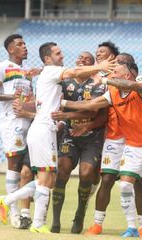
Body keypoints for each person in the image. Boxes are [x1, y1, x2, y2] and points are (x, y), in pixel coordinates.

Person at [0, 42, 116, 234]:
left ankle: (8, 200)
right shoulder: (53, 70)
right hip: (43, 130)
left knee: (49, 180)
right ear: (47, 58)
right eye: (58, 53)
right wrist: (100, 67)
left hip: (46, 131)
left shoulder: (48, 71)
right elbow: (74, 73)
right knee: (46, 178)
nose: (62, 55)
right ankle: (37, 224)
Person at [61, 58, 142, 239]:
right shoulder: (112, 93)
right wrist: (64, 103)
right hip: (133, 145)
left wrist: (104, 79)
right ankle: (131, 228)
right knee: (125, 185)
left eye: (116, 73)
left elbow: (127, 84)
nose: (112, 75)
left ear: (127, 75)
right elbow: (90, 105)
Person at [85, 52, 142, 238]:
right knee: (106, 180)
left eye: (120, 62)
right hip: (114, 139)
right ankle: (97, 224)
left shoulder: (141, 80)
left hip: (135, 140)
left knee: (138, 182)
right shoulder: (109, 80)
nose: (116, 64)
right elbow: (98, 103)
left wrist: (105, 80)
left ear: (129, 66)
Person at [49, 52, 106, 234]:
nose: (81, 60)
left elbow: (93, 110)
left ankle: (80, 213)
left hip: (93, 137)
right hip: (70, 134)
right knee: (62, 170)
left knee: (86, 172)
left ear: (92, 65)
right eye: (79, 58)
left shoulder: (97, 83)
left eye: (86, 59)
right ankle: (55, 221)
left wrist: (66, 113)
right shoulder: (65, 83)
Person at [0, 34, 36, 228]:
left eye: (24, 43)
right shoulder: (2, 66)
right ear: (10, 50)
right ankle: (13, 211)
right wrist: (9, 97)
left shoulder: (26, 72)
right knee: (14, 165)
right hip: (11, 122)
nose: (24, 47)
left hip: (27, 121)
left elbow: (28, 98)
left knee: (27, 169)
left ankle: (20, 209)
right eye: (19, 44)